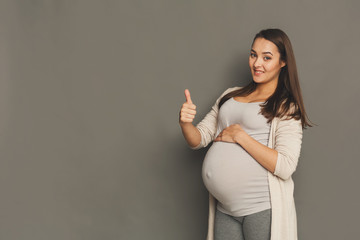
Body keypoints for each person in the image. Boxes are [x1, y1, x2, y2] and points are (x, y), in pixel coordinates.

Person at [179, 28, 314, 240]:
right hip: (226, 210)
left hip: (261, 209)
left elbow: (286, 166)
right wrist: (186, 123)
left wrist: (241, 137)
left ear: (283, 62)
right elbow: (199, 139)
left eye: (266, 57)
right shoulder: (229, 96)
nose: (257, 63)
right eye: (253, 55)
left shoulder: (286, 107)